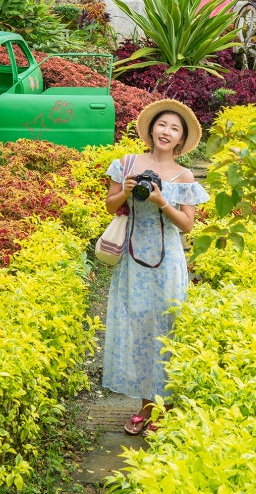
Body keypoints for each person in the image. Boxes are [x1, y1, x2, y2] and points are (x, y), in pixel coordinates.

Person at [102, 99, 209, 436]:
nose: (166, 132)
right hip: (133, 259)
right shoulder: (127, 163)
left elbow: (188, 225)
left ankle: (165, 410)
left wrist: (162, 200)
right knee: (138, 328)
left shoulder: (184, 176)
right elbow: (109, 205)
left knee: (167, 327)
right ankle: (146, 407)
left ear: (180, 140)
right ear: (150, 129)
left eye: (174, 129)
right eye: (162, 125)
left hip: (168, 262)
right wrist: (127, 192)